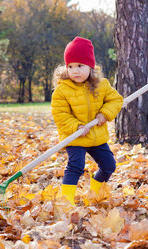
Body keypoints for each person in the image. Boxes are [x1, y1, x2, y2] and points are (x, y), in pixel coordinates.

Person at [51, 37, 123, 206]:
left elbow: (116, 100)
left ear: (90, 66)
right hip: (75, 136)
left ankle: (95, 192)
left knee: (109, 165)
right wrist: (76, 126)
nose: (75, 71)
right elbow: (60, 114)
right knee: (76, 165)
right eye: (70, 66)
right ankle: (66, 201)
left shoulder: (101, 85)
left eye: (80, 66)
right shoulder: (62, 90)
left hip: (96, 135)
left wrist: (104, 114)